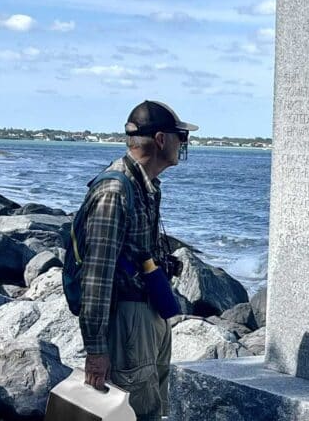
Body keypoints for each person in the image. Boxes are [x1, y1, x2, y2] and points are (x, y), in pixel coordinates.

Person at [78, 100, 197, 421]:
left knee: (152, 407)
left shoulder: (144, 185)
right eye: (180, 136)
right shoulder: (115, 191)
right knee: (133, 411)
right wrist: (96, 350)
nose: (184, 143)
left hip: (148, 312)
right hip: (129, 319)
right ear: (161, 139)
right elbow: (96, 276)